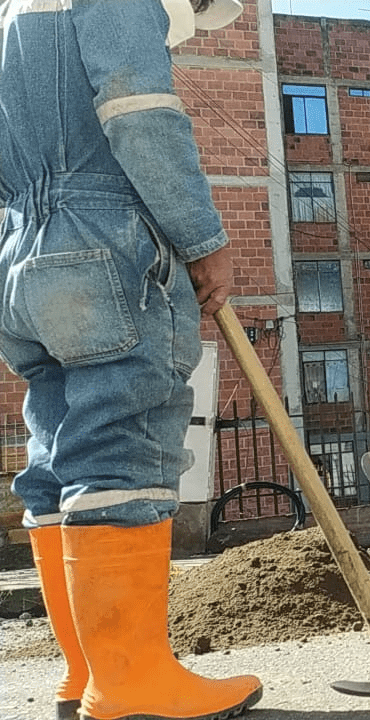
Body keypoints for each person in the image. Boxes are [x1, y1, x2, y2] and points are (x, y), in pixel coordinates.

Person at [0, 2, 262, 719]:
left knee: (58, 458)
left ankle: (86, 676)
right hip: (102, 243)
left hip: (20, 252)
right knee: (123, 446)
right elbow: (138, 109)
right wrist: (203, 238)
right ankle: (130, 684)